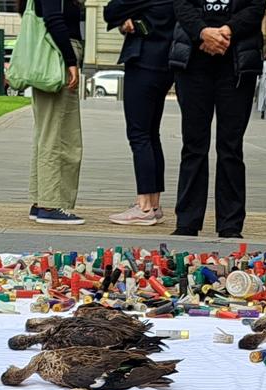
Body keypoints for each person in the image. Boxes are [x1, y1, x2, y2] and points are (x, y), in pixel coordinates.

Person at [170, 0, 266, 239]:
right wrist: (203, 32)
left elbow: (255, 8)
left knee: (231, 146)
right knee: (193, 145)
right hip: (193, 61)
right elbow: (182, 6)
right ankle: (187, 222)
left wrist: (226, 31)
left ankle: (230, 224)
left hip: (236, 63)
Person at [104, 0, 176, 226]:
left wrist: (124, 17)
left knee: (139, 135)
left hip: (144, 62)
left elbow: (111, 10)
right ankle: (153, 203)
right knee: (152, 134)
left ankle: (143, 206)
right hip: (166, 64)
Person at [25, 0, 85, 226]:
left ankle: (41, 200)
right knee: (61, 135)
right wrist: (71, 61)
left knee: (46, 132)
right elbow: (53, 19)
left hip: (47, 58)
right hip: (57, 58)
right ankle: (50, 204)